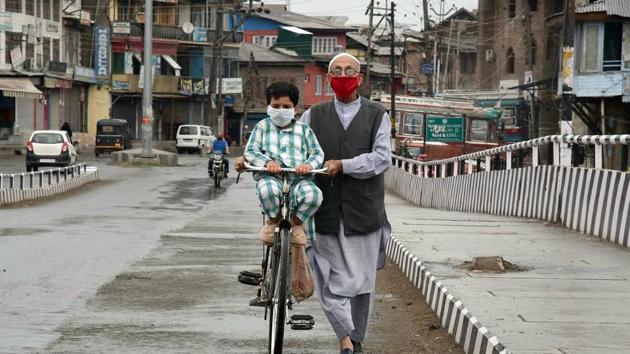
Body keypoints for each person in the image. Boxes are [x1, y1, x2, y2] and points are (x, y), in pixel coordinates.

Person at [237, 53, 391, 354]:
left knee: (362, 282)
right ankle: (345, 340)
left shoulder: (377, 114)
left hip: (364, 209)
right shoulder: (312, 115)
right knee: (327, 276)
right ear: (329, 79)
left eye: (350, 71)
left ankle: (356, 337)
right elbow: (289, 139)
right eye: (337, 71)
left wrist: (344, 165)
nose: (343, 75)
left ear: (359, 78)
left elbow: (382, 158)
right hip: (323, 209)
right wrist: (254, 159)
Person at [244, 81, 324, 248]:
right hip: (270, 176)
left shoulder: (304, 130)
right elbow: (250, 151)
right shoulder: (261, 127)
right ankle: (273, 221)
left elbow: (317, 153)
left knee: (314, 195)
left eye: (286, 106)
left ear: (295, 108)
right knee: (268, 192)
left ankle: (296, 224)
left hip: (299, 179)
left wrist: (308, 165)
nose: (281, 110)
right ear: (268, 106)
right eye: (276, 105)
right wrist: (267, 162)